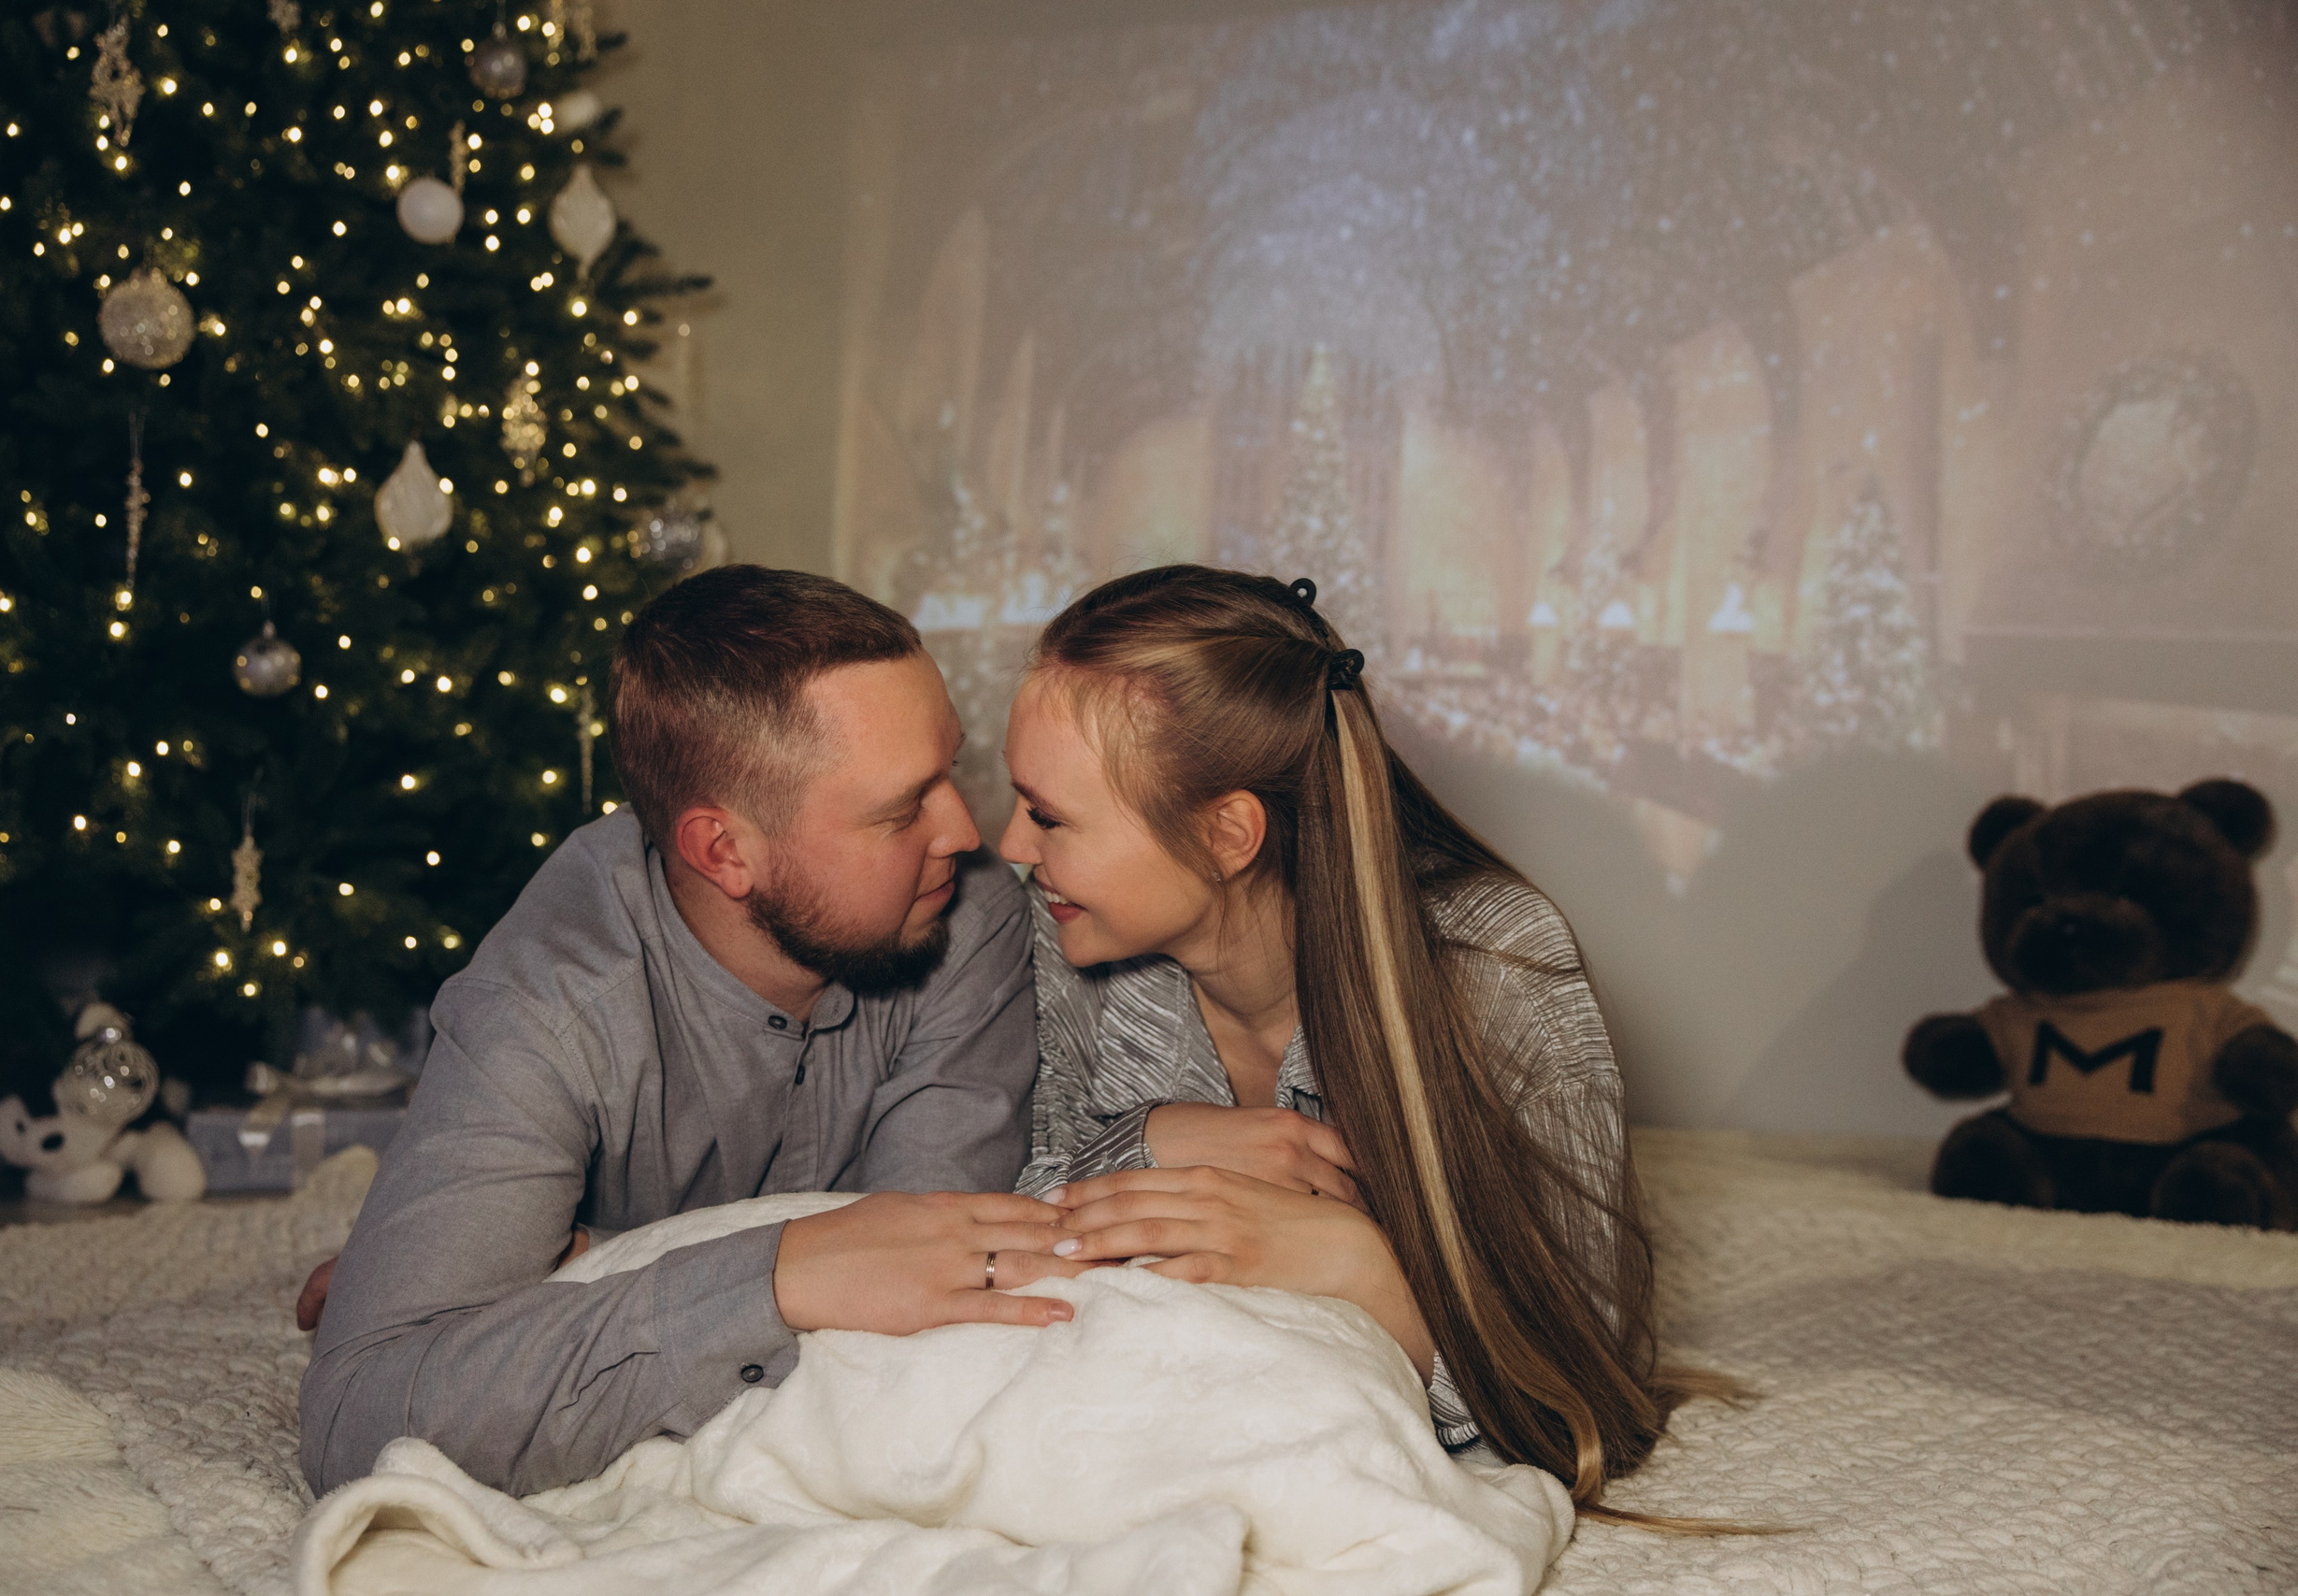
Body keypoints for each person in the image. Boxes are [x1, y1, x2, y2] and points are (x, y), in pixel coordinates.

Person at [298, 566, 1090, 1498]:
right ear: (726, 852)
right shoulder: (552, 1003)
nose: (968, 831)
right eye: (899, 808)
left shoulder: (966, 912)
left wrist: (586, 1276)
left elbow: (936, 1279)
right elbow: (357, 1421)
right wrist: (771, 1280)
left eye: (949, 771)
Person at [998, 565, 1709, 1522]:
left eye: (1048, 815)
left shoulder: (1500, 966)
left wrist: (1366, 1274)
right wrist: (1151, 1138)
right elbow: (992, 1216)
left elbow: (1592, 1384)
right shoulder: (1066, 931)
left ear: (1227, 834)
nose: (1010, 845)